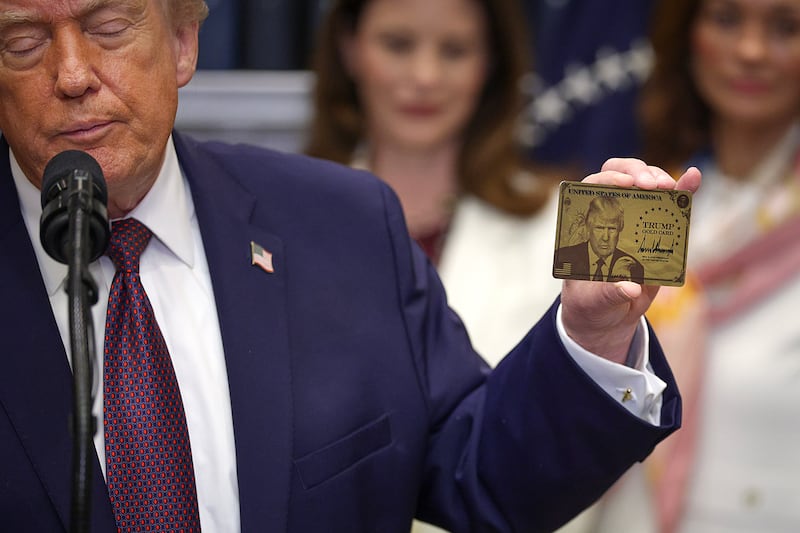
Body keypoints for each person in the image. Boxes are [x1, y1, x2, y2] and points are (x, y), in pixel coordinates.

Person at [0, 1, 700, 533]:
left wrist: (593, 336)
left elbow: (480, 470)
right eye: (23, 42)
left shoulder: (343, 224)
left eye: (110, 27)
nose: (71, 75)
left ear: (183, 42)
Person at [305, 0, 655, 531]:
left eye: (455, 50)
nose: (425, 77)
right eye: (398, 44)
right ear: (350, 49)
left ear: (491, 64)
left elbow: (597, 446)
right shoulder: (285, 224)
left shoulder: (569, 229)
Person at [638, 0, 800, 531]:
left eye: (787, 27)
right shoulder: (646, 203)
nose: (751, 52)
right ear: (687, 34)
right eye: (727, 19)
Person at [554, 195, 646, 284]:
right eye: (599, 228)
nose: (605, 237)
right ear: (588, 227)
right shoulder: (563, 257)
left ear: (620, 229)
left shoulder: (634, 268)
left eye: (612, 229)